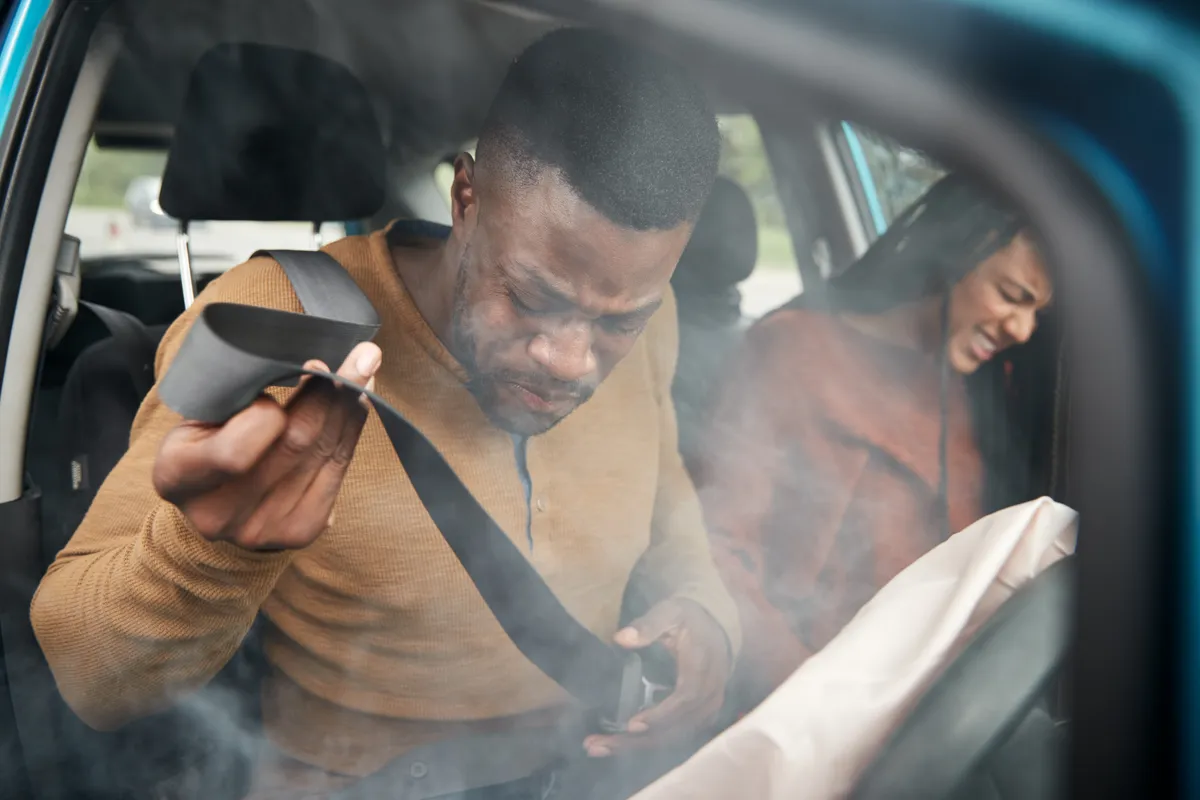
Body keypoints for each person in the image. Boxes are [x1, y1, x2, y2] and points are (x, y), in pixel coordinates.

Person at [30, 28, 740, 798]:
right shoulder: (274, 318)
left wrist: (709, 614)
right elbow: (87, 680)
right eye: (533, 298)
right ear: (466, 197)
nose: (571, 359)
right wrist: (208, 554)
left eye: (616, 323)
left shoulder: (656, 315)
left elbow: (667, 496)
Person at [693, 174, 1053, 715]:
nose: (1023, 329)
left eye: (1036, 313)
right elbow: (717, 546)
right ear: (952, 251)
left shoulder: (982, 396)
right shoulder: (792, 350)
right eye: (1011, 296)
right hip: (799, 714)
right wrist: (811, 701)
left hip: (929, 714)